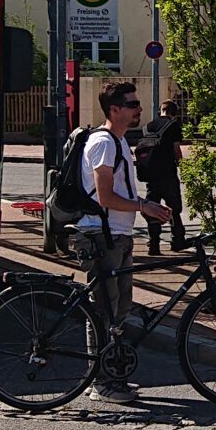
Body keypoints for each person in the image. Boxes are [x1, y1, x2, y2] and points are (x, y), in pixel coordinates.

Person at [76, 80, 173, 403]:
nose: (139, 109)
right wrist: (143, 206)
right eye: (132, 105)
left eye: (137, 104)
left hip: (119, 234)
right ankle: (100, 382)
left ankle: (111, 376)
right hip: (104, 234)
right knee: (103, 309)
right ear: (114, 110)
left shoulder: (118, 143)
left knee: (119, 309)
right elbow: (104, 195)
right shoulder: (103, 143)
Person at [140, 98, 186, 256]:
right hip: (168, 175)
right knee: (174, 209)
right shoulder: (173, 125)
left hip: (151, 177)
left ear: (161, 111)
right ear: (174, 113)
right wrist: (183, 166)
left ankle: (154, 244)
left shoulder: (147, 127)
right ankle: (177, 241)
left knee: (153, 209)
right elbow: (176, 150)